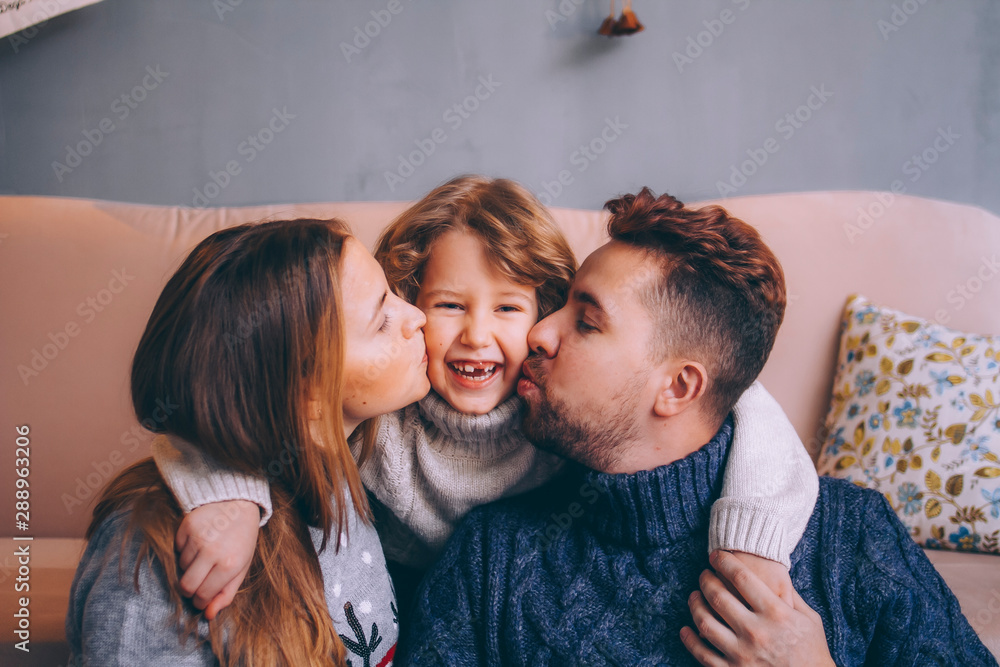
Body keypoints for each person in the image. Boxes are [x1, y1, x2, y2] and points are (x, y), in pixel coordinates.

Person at [152, 175, 817, 620]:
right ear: (410, 303)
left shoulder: (561, 411)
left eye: (507, 307)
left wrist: (754, 539)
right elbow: (245, 402)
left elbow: (737, 404)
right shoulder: (383, 409)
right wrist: (230, 493)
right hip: (392, 619)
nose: (476, 334)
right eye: (447, 305)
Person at [398, 188, 996, 666]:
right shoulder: (493, 555)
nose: (538, 332)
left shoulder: (850, 538)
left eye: (585, 322)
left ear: (678, 388)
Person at [66, 218, 429, 666]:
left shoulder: (347, 471)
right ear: (307, 391)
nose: (417, 316)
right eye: (382, 320)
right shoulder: (148, 561)